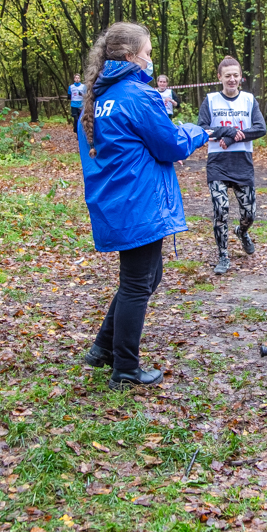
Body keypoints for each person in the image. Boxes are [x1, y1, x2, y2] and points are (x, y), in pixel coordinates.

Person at [76, 22, 213, 391]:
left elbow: (129, 148)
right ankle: (125, 368)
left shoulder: (98, 99)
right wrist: (201, 132)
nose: (150, 60)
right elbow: (170, 144)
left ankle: (103, 348)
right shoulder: (137, 95)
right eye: (148, 53)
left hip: (116, 202)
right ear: (129, 55)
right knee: (138, 284)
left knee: (146, 278)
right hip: (139, 203)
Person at [197, 56, 267, 275]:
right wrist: (227, 132)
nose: (232, 79)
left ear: (241, 77)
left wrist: (233, 138)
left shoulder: (248, 100)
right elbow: (202, 130)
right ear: (220, 77)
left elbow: (260, 128)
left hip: (242, 163)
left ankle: (242, 232)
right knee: (221, 210)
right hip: (218, 163)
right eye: (227, 76)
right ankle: (223, 256)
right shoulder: (210, 100)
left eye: (235, 75)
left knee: (249, 214)